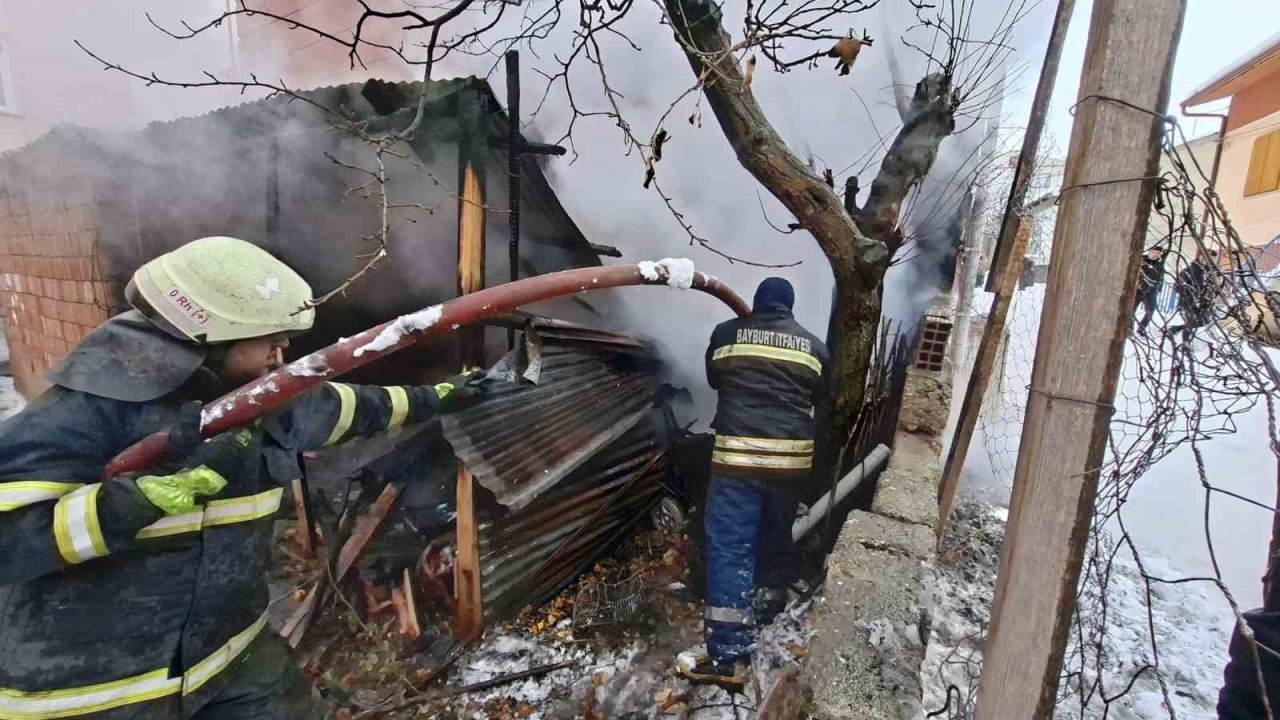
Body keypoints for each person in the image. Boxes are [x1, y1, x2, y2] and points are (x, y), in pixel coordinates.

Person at [0, 237, 478, 719]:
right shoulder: (82, 413)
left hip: (232, 661)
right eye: (270, 335)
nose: (284, 347)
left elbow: (344, 409)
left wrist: (439, 396)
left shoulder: (252, 398)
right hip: (92, 691)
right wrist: (132, 502)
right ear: (212, 336)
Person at [679, 277, 828, 688]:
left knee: (729, 548)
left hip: (738, 464)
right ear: (790, 308)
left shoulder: (728, 335)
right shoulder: (814, 347)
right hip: (792, 466)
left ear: (757, 304)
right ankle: (767, 611)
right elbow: (821, 395)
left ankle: (728, 658)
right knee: (775, 534)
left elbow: (714, 378)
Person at [1171, 249, 1220, 336]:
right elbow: (1177, 286)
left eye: (1211, 259)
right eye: (1206, 257)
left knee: (1203, 322)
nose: (1207, 260)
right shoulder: (1189, 270)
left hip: (1202, 303)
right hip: (1188, 302)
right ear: (1200, 256)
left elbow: (1212, 288)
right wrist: (1188, 294)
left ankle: (1176, 329)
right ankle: (1185, 345)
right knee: (1190, 322)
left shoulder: (1210, 273)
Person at [1134, 246, 1166, 335]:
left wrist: (1158, 288)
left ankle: (1142, 328)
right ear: (1149, 252)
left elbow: (1161, 277)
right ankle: (1128, 329)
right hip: (1137, 290)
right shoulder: (1141, 261)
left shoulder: (1159, 265)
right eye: (1154, 252)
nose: (1156, 255)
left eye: (1158, 254)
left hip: (1151, 291)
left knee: (1151, 310)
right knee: (1131, 310)